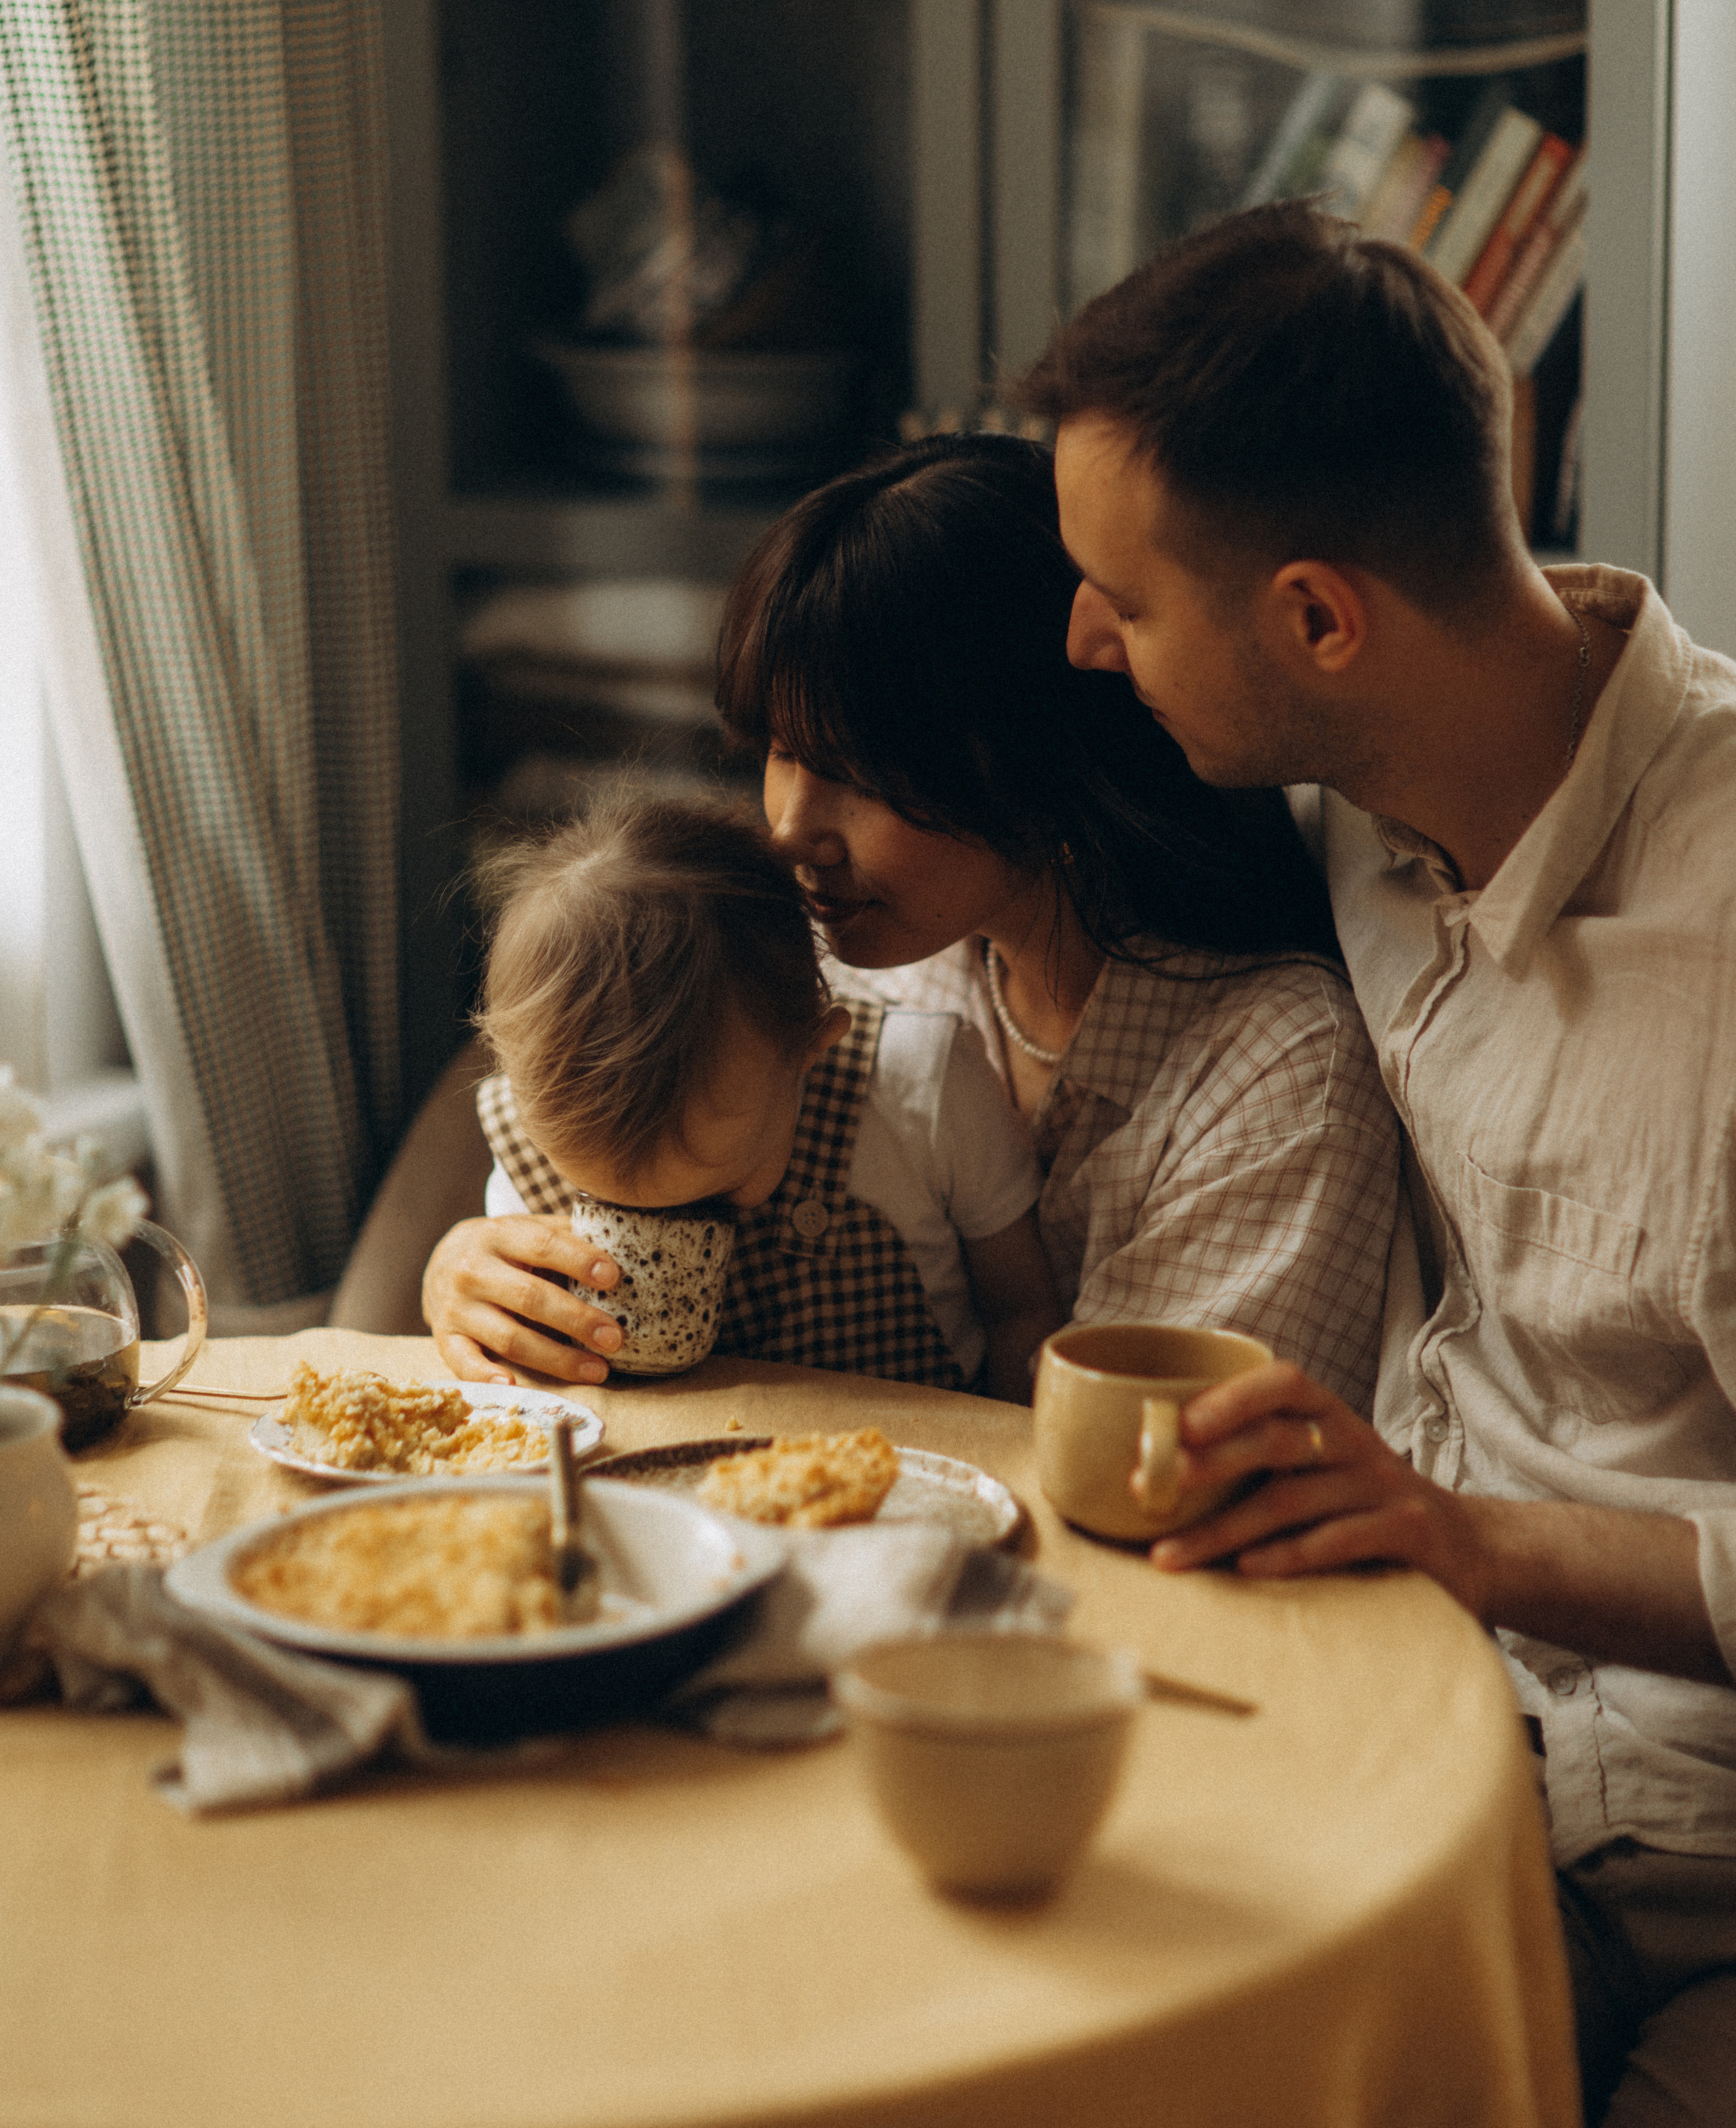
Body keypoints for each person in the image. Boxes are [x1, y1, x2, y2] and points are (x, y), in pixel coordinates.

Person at [1025, 195, 1736, 2127]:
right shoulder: (1350, 799)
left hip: (1690, 1876)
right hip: (1404, 1735)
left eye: (1128, 596)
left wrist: (1468, 1541)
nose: (1086, 642)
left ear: (1319, 618)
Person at [406, 435, 1399, 1408]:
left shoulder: (1275, 1078)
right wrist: (472, 1273)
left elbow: (1142, 1475)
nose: (790, 831)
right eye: (782, 753)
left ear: (1037, 765)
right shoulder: (861, 973)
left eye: (857, 775)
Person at [441, 788, 1059, 1402]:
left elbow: (1021, 1314)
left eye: (719, 1193)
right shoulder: (527, 1137)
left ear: (809, 1050)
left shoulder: (927, 1087)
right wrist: (464, 1291)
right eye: (605, 1201)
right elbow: (515, 1347)